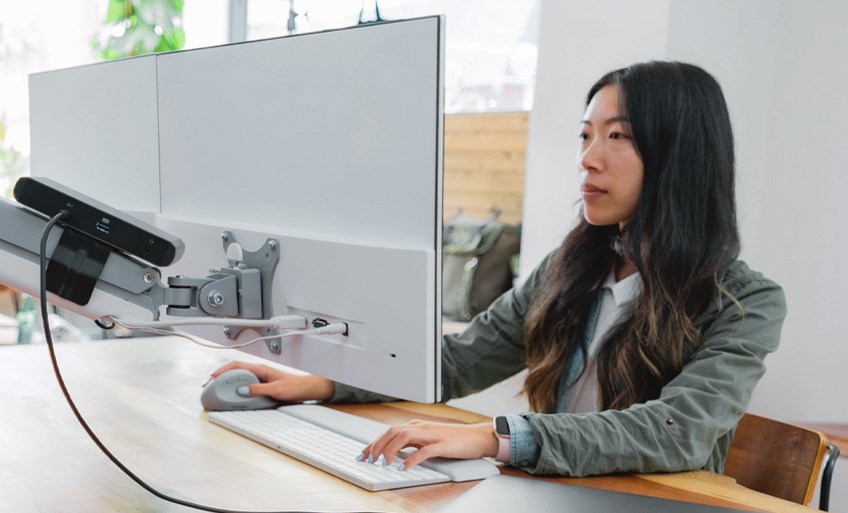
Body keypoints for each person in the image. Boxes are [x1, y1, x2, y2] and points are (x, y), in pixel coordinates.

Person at [212, 61, 786, 477]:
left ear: (678, 156)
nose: (588, 157)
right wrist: (325, 382)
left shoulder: (744, 302)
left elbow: (677, 431)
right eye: (586, 135)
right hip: (555, 502)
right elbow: (460, 361)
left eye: (618, 136)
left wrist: (494, 437)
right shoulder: (570, 269)